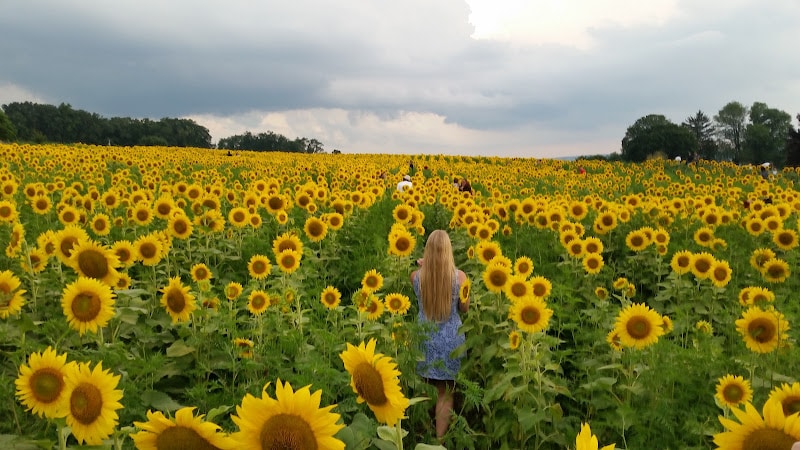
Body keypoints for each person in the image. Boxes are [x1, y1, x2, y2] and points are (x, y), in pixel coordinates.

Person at [411, 230, 470, 439]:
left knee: (425, 389)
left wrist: (423, 266)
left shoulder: (416, 277)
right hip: (450, 341)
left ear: (426, 251)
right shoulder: (460, 277)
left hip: (424, 339)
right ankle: (439, 441)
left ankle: (422, 435)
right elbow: (464, 308)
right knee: (445, 392)